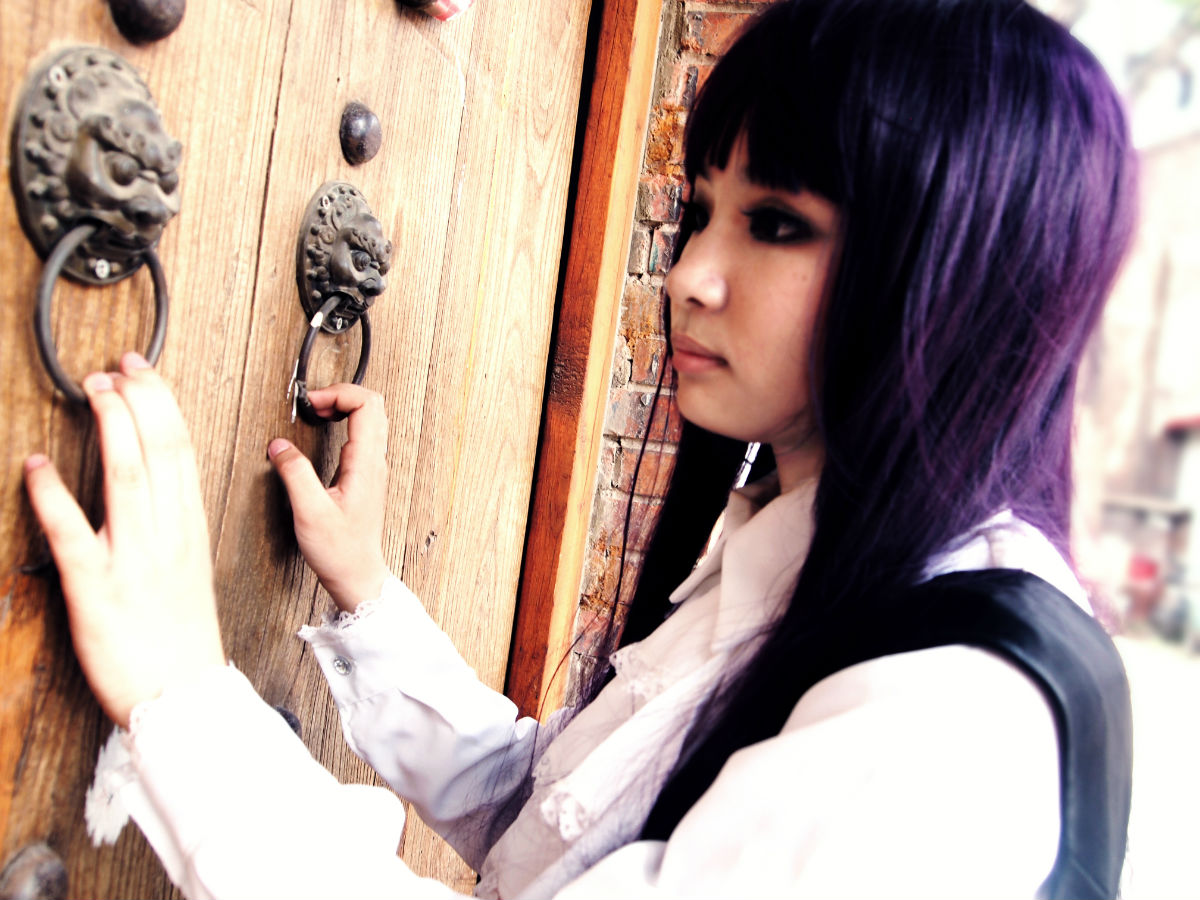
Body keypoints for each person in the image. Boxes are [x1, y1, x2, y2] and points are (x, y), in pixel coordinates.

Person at [23, 0, 1137, 897]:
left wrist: (181, 701)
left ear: (961, 273)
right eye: (704, 209)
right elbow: (560, 826)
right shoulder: (813, 546)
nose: (690, 275)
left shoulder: (949, 723)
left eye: (776, 224)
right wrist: (367, 592)